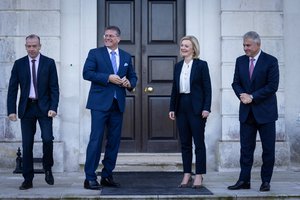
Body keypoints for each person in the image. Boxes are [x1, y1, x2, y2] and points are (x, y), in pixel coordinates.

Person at [82, 25, 137, 190]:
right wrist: (108, 78)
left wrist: (129, 84)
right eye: (105, 35)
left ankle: (107, 176)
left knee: (113, 142)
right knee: (96, 140)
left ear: (118, 39)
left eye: (111, 36)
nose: (107, 38)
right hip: (99, 104)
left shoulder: (126, 56)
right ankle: (90, 178)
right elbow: (87, 73)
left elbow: (133, 76)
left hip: (117, 104)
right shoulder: (95, 53)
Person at [228, 31, 279, 192]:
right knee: (246, 150)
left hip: (266, 113)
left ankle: (265, 181)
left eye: (248, 45)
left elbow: (272, 86)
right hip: (247, 112)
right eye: (244, 45)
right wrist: (242, 96)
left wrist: (252, 96)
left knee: (268, 150)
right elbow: (235, 83)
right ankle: (244, 180)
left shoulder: (271, 61)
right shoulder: (240, 61)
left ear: (258, 44)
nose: (245, 48)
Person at [7, 34, 59, 190]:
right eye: (28, 46)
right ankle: (27, 178)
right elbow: (12, 89)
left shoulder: (49, 63)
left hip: (44, 108)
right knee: (27, 145)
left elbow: (54, 88)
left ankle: (48, 167)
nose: (31, 49)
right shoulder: (19, 64)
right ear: (25, 47)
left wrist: (53, 108)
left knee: (48, 139)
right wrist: (11, 111)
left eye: (34, 46)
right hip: (26, 108)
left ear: (40, 46)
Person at [169, 35, 212, 189]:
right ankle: (187, 173)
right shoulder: (178, 66)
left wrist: (206, 108)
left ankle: (199, 174)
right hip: (181, 107)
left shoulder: (201, 65)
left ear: (193, 48)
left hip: (197, 108)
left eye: (186, 45)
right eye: (182, 45)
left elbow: (207, 88)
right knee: (185, 143)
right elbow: (175, 88)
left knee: (198, 143)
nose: (183, 48)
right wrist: (172, 108)